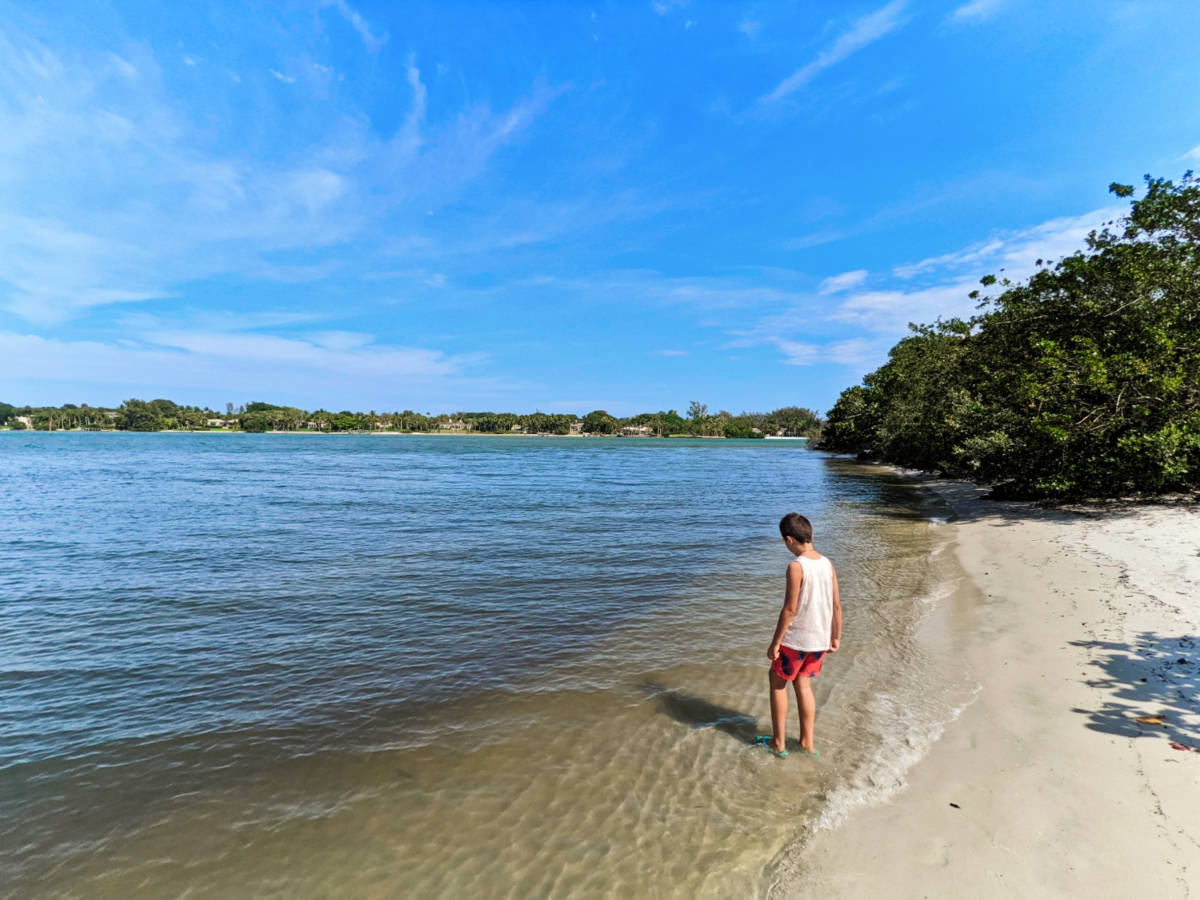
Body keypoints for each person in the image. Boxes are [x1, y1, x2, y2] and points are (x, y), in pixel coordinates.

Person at [756, 512, 842, 758]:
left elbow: (790, 609)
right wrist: (836, 636)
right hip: (820, 639)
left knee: (777, 683)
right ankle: (807, 743)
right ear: (810, 534)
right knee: (803, 685)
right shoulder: (827, 563)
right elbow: (836, 605)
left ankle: (779, 743)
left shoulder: (796, 567)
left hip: (797, 640)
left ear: (789, 540)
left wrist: (775, 643)